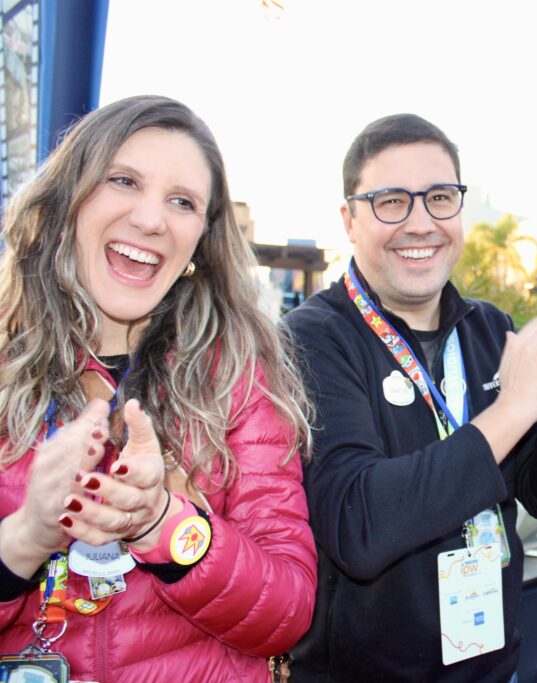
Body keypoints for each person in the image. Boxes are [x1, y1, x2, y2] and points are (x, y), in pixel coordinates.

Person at [0, 96, 317, 682]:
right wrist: (26, 536)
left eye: (182, 202)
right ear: (68, 199)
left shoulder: (240, 373)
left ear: (200, 240)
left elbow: (289, 611)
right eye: (123, 181)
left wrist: (163, 525)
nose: (151, 220)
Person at [285, 114, 537, 682]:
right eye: (390, 201)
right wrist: (512, 408)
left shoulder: (489, 328)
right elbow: (359, 523)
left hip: (491, 664)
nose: (420, 223)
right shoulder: (312, 336)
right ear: (349, 220)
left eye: (438, 198)